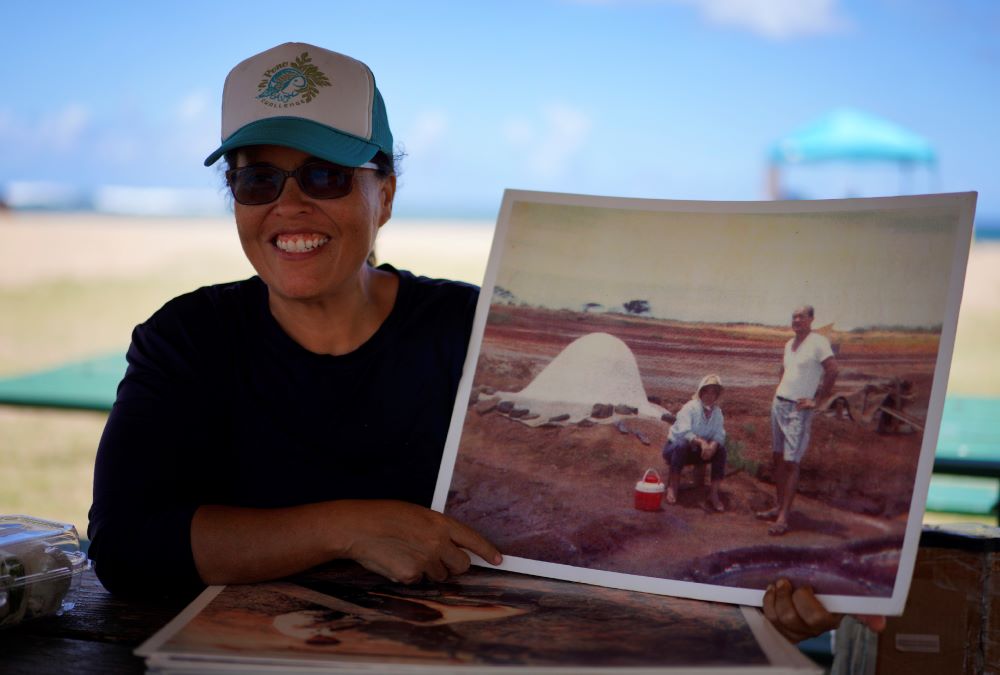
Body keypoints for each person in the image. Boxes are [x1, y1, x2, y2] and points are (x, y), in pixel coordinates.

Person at [86, 41, 864, 645]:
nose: (288, 203)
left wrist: (759, 608)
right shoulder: (186, 340)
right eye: (257, 179)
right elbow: (124, 545)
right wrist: (349, 526)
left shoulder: (466, 332)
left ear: (383, 192)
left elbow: (597, 556)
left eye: (324, 175)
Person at [757, 305, 838, 536]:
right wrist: (779, 390)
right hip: (779, 404)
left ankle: (783, 517)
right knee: (777, 457)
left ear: (812, 319)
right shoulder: (788, 344)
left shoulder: (818, 342)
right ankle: (778, 506)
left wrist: (818, 401)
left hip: (798, 410)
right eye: (794, 316)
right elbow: (784, 371)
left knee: (792, 462)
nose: (797, 320)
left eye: (802, 316)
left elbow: (833, 370)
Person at [661, 374, 727, 511]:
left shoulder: (717, 412)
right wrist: (702, 443)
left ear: (717, 395)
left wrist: (712, 446)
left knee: (721, 450)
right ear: (701, 392)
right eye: (706, 391)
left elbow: (719, 434)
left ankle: (713, 494)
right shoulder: (690, 408)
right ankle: (673, 487)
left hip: (698, 452)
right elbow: (684, 432)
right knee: (682, 444)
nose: (709, 395)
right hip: (675, 450)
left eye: (713, 392)